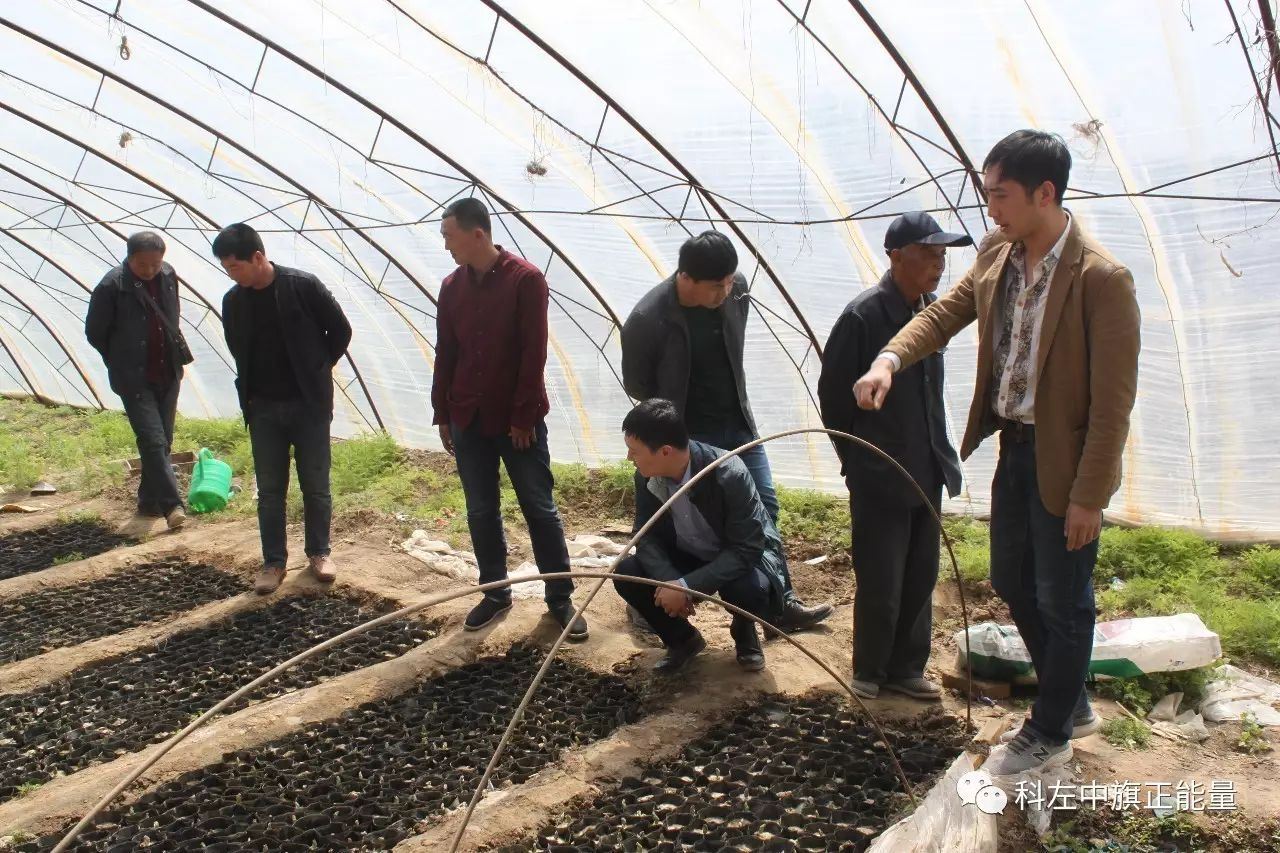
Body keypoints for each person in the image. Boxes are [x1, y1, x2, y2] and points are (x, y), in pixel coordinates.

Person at [854, 130, 1141, 775]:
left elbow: (1112, 404)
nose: (991, 207)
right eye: (987, 193)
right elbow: (947, 311)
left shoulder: (1101, 279)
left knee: (1062, 596)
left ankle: (1050, 727)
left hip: (1065, 462)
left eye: (1000, 194)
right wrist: (890, 358)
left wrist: (1089, 496)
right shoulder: (998, 254)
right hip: (1016, 449)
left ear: (1046, 193)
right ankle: (1068, 697)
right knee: (1013, 580)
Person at [620, 230, 832, 633]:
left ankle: (777, 604)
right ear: (686, 278)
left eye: (731, 280)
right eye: (717, 285)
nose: (727, 290)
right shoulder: (648, 319)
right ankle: (654, 598)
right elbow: (638, 386)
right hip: (685, 436)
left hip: (737, 423)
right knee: (664, 517)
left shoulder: (735, 290)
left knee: (764, 509)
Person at [818, 212, 969, 702]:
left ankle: (907, 667)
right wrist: (856, 459)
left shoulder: (933, 312)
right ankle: (870, 669)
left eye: (942, 256)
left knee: (921, 573)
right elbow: (834, 399)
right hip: (879, 471)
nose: (937, 265)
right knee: (881, 575)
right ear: (895, 256)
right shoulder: (863, 316)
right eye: (927, 254)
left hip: (926, 465)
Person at [431, 198, 588, 641]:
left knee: (539, 508)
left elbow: (531, 352)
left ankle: (560, 597)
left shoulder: (526, 280)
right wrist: (443, 412)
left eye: (449, 236)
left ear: (476, 233)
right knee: (481, 510)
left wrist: (522, 419)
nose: (446, 246)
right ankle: (496, 592)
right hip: (468, 415)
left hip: (516, 420)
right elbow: (447, 352)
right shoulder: (451, 286)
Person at [215, 223, 352, 594]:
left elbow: (340, 330)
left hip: (308, 405)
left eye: (235, 266)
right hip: (263, 409)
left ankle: (319, 553)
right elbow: (235, 345)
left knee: (316, 485)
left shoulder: (302, 286)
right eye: (227, 269)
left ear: (258, 257)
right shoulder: (233, 301)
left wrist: (317, 368)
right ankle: (273, 562)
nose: (232, 274)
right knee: (271, 490)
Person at [612, 399, 785, 672]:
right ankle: (682, 640)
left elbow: (746, 549)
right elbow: (645, 536)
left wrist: (686, 585)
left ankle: (744, 629)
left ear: (665, 451)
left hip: (731, 558)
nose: (629, 458)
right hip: (687, 555)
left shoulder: (728, 473)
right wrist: (670, 581)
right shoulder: (646, 476)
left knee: (750, 590)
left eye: (634, 451)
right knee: (627, 572)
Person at [86, 231, 191, 533]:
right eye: (143, 264)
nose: (150, 270)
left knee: (163, 440)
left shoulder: (169, 275)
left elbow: (174, 314)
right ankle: (173, 505)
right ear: (129, 258)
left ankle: (148, 502)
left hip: (167, 371)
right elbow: (95, 332)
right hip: (134, 377)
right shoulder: (111, 287)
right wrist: (122, 357)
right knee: (153, 439)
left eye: (155, 264)